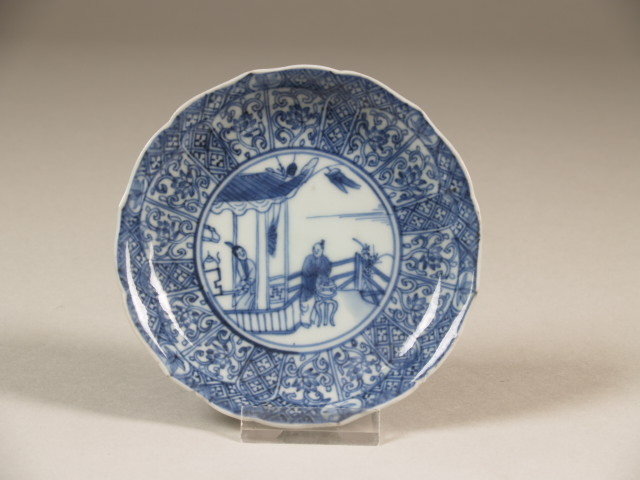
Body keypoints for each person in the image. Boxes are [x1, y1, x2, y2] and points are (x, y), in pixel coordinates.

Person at [299, 240, 332, 326]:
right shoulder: (309, 259)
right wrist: (316, 275)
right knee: (306, 305)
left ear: (322, 250)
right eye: (314, 249)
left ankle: (313, 319)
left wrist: (322, 279)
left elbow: (327, 270)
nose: (316, 251)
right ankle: (305, 321)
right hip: (308, 285)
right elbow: (306, 272)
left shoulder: (325, 260)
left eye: (318, 249)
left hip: (319, 286)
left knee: (317, 303)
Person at [226, 243, 256, 310]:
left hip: (253, 288)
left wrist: (245, 286)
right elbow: (243, 278)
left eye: (242, 251)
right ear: (237, 256)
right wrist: (239, 286)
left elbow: (252, 277)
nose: (242, 253)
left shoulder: (250, 262)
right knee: (240, 305)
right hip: (247, 288)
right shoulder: (239, 264)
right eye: (239, 253)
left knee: (244, 305)